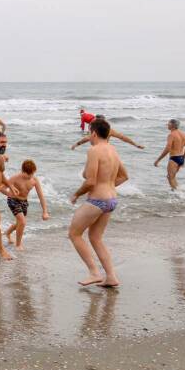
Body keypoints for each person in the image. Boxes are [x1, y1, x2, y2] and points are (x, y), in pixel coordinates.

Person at [69, 118, 128, 288]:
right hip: (111, 199)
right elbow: (124, 176)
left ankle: (94, 272)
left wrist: (76, 194)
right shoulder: (113, 149)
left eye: (89, 132)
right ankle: (111, 277)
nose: (89, 135)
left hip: (97, 200)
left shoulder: (94, 150)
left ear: (93, 133)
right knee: (96, 238)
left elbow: (90, 181)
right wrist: (108, 188)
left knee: (74, 234)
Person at [4, 160, 50, 250]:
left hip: (24, 202)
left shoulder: (34, 180)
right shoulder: (15, 178)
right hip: (13, 200)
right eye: (28, 174)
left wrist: (45, 211)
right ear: (22, 171)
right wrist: (10, 192)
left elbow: (41, 196)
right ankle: (18, 245)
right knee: (22, 222)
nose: (30, 176)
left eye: (32, 174)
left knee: (20, 223)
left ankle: (8, 233)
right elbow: (1, 188)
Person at [154, 119, 185, 190]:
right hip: (180, 158)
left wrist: (158, 160)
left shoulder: (171, 135)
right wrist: (183, 158)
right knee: (172, 177)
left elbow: (167, 149)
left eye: (168, 124)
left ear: (173, 125)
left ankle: (177, 194)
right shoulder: (183, 134)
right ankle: (178, 192)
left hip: (174, 158)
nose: (167, 125)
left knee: (170, 177)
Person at [70, 115, 144, 150]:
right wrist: (76, 144)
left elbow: (123, 137)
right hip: (107, 150)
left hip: (99, 151)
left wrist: (76, 144)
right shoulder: (107, 130)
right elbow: (122, 137)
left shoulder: (96, 131)